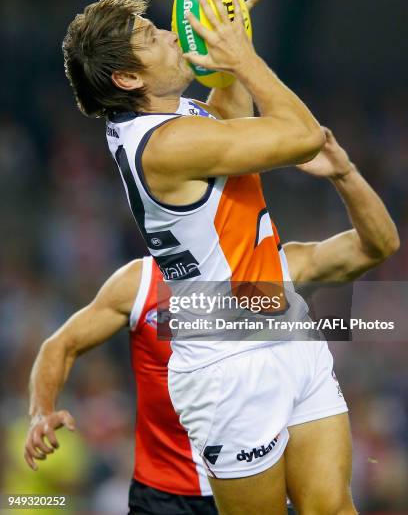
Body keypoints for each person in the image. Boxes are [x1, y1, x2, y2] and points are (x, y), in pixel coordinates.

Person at [61, 0, 398, 514]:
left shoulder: (170, 119)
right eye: (152, 36)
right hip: (227, 363)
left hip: (281, 325)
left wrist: (225, 65)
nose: (172, 33)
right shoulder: (167, 146)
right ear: (128, 79)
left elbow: (228, 115)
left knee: (332, 509)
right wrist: (243, 55)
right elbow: (303, 136)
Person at [25, 128, 399, 515]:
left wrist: (345, 174)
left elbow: (377, 245)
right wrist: (41, 410)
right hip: (170, 497)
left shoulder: (279, 268)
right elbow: (60, 345)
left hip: (264, 483)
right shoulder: (138, 284)